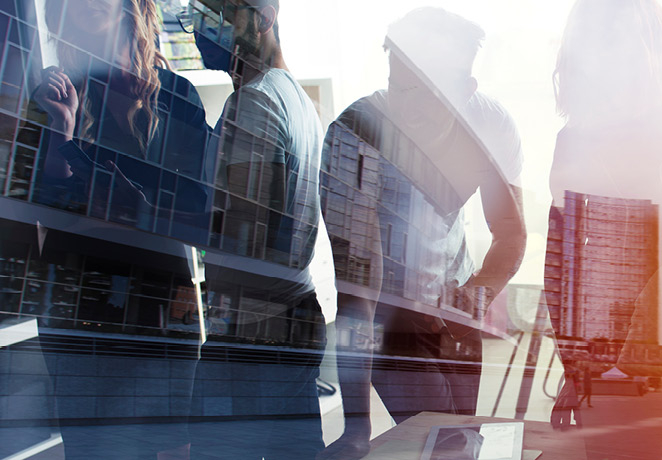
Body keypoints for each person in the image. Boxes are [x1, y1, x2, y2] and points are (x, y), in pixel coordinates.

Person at [317, 8, 525, 460]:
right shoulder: (353, 138)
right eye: (399, 87)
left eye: (425, 93)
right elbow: (357, 293)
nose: (407, 106)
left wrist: (477, 293)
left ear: (464, 91)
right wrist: (356, 429)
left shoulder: (490, 126)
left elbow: (509, 230)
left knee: (461, 443)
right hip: (388, 315)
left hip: (455, 304)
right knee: (446, 446)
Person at [26, 0, 211, 458]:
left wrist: (141, 210)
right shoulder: (54, 93)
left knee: (171, 444)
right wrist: (62, 131)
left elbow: (202, 209)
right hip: (81, 306)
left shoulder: (177, 97)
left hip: (163, 303)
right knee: (92, 447)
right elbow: (40, 208)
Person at [183, 0, 331, 458]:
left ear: (261, 19)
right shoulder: (296, 97)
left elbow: (245, 232)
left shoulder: (254, 103)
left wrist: (152, 209)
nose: (200, 30)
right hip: (291, 315)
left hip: (254, 332)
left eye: (217, 16)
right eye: (196, 16)